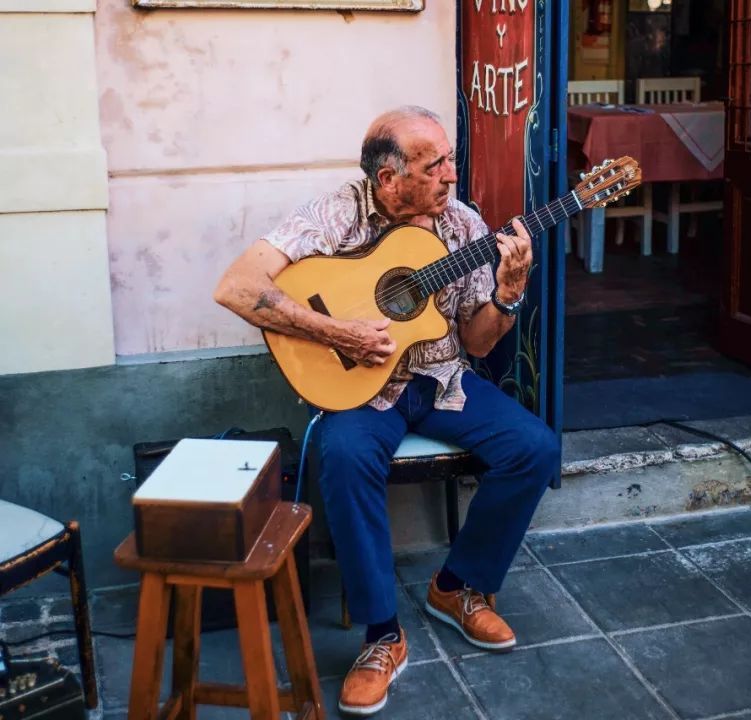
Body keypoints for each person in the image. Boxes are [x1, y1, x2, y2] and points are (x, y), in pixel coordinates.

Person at [214, 105, 559, 716]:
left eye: (450, 159)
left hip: (444, 379)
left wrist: (508, 294)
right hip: (364, 389)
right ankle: (381, 637)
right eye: (435, 165)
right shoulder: (334, 214)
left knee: (535, 448)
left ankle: (456, 588)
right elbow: (238, 288)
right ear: (388, 178)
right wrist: (335, 332)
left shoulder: (462, 225)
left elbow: (478, 344)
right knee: (341, 456)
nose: (452, 175)